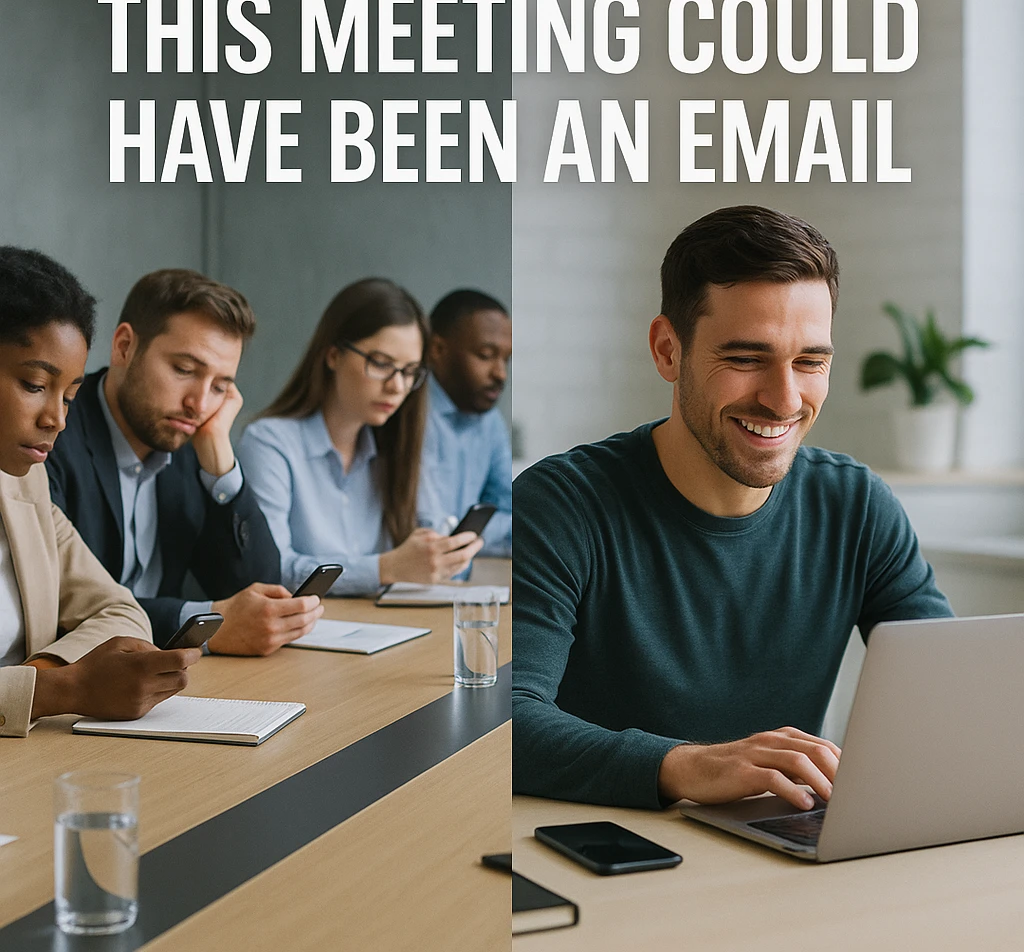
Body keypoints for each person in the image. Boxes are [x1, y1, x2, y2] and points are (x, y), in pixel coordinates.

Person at [512, 206, 953, 810]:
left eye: (810, 362)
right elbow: (503, 720)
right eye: (746, 359)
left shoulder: (856, 506)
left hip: (777, 843)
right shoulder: (561, 506)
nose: (784, 400)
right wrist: (683, 766)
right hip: (610, 846)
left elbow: (953, 690)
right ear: (668, 350)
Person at [45, 269, 322, 653]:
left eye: (220, 386)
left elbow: (259, 592)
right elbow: (58, 603)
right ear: (124, 346)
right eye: (184, 370)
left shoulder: (194, 444)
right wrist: (204, 622)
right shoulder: (51, 434)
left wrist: (221, 464)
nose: (200, 403)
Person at [0, 247, 200, 737]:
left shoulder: (22, 486)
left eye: (69, 396)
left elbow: (120, 610)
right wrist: (61, 691)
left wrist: (39, 678)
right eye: (34, 384)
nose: (57, 419)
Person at [238, 278, 484, 596]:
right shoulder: (269, 443)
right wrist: (386, 568)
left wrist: (446, 556)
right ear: (333, 355)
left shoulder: (399, 446)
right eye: (381, 364)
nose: (397, 386)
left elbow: (432, 538)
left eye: (409, 371)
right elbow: (272, 571)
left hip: (383, 623)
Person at [423, 289, 512, 557]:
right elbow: (431, 535)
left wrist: (465, 535)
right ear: (438, 349)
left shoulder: (490, 421)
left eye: (506, 359)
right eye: (485, 355)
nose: (500, 373)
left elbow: (514, 514)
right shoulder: (407, 416)